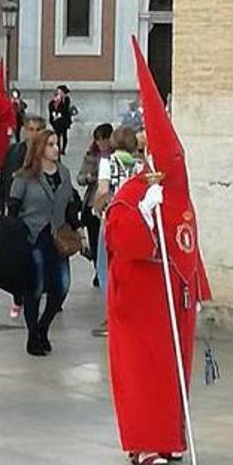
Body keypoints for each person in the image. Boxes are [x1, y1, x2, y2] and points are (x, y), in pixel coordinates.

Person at [106, 42, 211, 464]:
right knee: (142, 375)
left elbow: (189, 241)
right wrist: (145, 218)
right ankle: (145, 442)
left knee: (171, 376)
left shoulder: (179, 196)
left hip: (173, 302)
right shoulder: (135, 193)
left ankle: (168, 438)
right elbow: (119, 241)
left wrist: (197, 286)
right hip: (140, 300)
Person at [8, 129, 81, 356]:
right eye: (50, 144)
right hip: (33, 236)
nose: (56, 148)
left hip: (57, 236)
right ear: (40, 148)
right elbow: (13, 208)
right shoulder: (24, 177)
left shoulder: (64, 173)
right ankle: (33, 335)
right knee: (36, 287)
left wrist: (78, 228)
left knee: (62, 286)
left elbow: (70, 204)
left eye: (56, 144)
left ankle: (43, 327)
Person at [91, 127, 142, 337]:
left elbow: (103, 190)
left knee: (105, 267)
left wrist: (96, 207)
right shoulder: (139, 165)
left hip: (113, 217)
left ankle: (113, 314)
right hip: (135, 219)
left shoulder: (107, 162)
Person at [0, 115, 46, 318]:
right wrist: (0, 204)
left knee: (38, 257)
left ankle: (37, 291)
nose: (33, 134)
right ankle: (18, 297)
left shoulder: (47, 154)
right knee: (18, 257)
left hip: (39, 214)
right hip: (16, 213)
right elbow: (4, 177)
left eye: (37, 130)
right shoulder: (14, 151)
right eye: (30, 129)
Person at [76, 123, 113, 288]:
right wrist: (88, 177)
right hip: (92, 203)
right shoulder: (91, 155)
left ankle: (106, 271)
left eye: (104, 140)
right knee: (95, 240)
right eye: (98, 140)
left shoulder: (116, 157)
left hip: (110, 203)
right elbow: (80, 178)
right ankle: (99, 270)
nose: (101, 144)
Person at [48, 85, 74, 155]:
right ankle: (58, 148)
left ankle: (63, 149)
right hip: (56, 121)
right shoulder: (54, 100)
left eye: (61, 91)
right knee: (57, 135)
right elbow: (51, 107)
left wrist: (62, 100)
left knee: (65, 135)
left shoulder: (66, 99)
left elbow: (65, 109)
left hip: (64, 120)